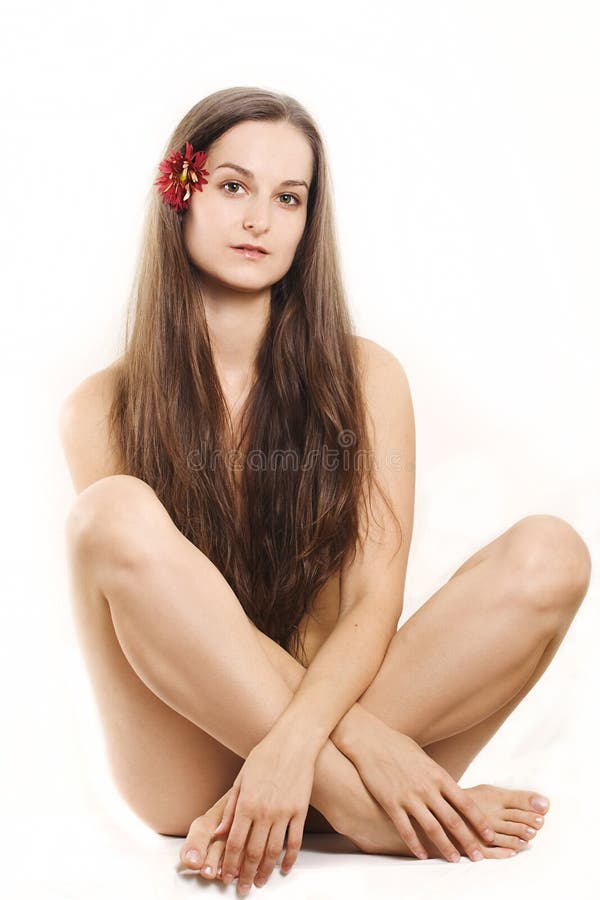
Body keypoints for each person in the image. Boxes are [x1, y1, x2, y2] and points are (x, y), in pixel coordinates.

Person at [59, 86, 591, 895]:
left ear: (310, 224)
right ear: (183, 194)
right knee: (109, 515)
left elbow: (377, 597)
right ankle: (370, 813)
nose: (258, 220)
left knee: (552, 552)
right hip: (185, 757)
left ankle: (306, 787)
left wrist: (300, 739)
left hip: (338, 715)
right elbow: (158, 618)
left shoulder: (368, 376)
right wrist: (364, 750)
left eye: (289, 198)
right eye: (234, 186)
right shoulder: (100, 406)